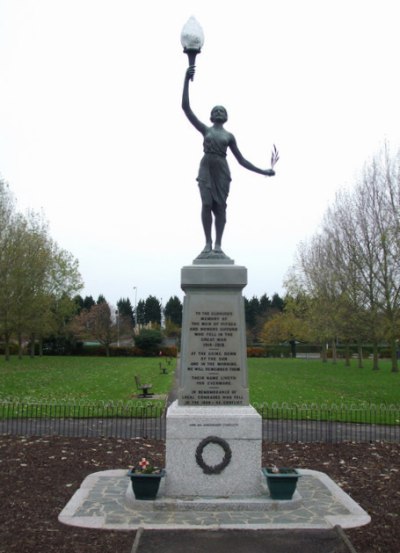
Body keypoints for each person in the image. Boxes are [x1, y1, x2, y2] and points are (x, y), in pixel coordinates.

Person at [182, 65, 276, 258]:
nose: (218, 112)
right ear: (211, 115)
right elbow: (186, 108)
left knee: (220, 208)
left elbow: (241, 160)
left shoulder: (229, 136)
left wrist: (264, 171)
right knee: (206, 204)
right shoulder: (206, 130)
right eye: (215, 110)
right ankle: (207, 242)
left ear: (226, 116)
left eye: (221, 110)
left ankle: (218, 244)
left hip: (222, 171)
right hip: (206, 168)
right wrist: (186, 80)